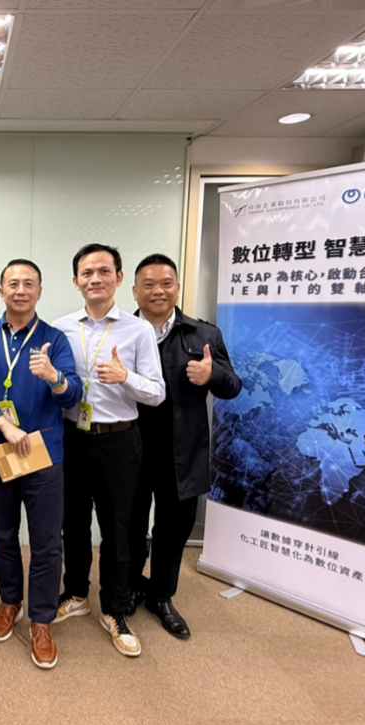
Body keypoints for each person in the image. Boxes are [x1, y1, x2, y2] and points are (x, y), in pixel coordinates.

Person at [52, 244, 165, 659]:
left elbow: (157, 392)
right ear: (76, 281)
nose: (95, 279)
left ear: (118, 278)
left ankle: (115, 609)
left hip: (119, 439)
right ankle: (76, 593)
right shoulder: (61, 328)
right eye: (87, 273)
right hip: (71, 436)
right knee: (73, 522)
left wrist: (125, 377)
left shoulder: (138, 331)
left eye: (104, 271)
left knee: (119, 527)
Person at [0, 259, 81, 670]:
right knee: (2, 534)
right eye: (13, 283)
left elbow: (73, 395)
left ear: (39, 291)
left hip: (44, 455)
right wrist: (1, 423)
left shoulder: (55, 339)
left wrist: (54, 377)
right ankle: (9, 602)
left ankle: (41, 619)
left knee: (46, 542)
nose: (21, 290)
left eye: (29, 284)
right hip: (0, 451)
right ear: (1, 290)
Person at [130, 254, 242, 639]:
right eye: (149, 284)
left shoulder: (203, 334)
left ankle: (161, 596)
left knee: (173, 529)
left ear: (177, 288)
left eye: (166, 283)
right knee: (128, 526)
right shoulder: (122, 332)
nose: (158, 291)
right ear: (135, 291)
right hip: (131, 450)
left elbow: (233, 386)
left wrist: (213, 375)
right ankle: (131, 585)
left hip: (183, 452)